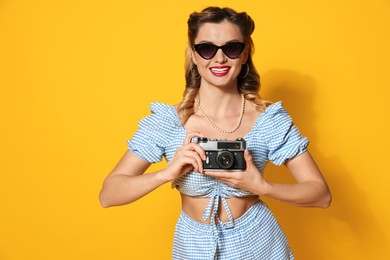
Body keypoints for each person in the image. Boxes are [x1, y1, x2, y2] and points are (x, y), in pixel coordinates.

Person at [99, 6, 331, 259]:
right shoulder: (169, 123)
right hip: (192, 246)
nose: (219, 59)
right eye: (207, 48)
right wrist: (166, 173)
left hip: (260, 244)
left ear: (244, 54)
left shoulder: (267, 121)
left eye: (231, 48)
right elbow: (109, 195)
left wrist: (261, 186)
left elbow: (320, 195)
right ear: (193, 54)